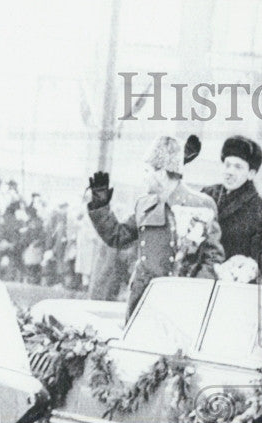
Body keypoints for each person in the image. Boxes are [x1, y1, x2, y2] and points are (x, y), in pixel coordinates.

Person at [88, 135, 224, 320]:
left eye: (147, 171)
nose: (143, 178)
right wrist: (101, 206)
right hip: (142, 300)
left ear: (160, 173)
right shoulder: (144, 205)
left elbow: (212, 258)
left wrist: (194, 293)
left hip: (181, 305)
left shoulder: (200, 205)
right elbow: (118, 236)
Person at [202, 136, 262, 281]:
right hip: (198, 279)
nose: (229, 171)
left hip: (230, 288)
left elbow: (258, 266)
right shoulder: (206, 195)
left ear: (251, 173)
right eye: (227, 164)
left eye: (238, 167)